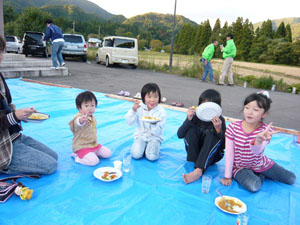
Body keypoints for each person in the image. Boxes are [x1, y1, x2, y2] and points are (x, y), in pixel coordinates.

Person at [0, 35, 58, 174]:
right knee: (50, 165)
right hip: (3, 144)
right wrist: (14, 116)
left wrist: (20, 114)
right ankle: (4, 165)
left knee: (54, 156)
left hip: (12, 135)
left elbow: (6, 104)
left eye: (1, 51)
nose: (1, 56)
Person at [220, 92, 296, 192]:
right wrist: (227, 176)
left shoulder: (266, 131)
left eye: (255, 110)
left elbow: (256, 152)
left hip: (259, 163)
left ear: (264, 114)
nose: (249, 112)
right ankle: (260, 175)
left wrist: (258, 140)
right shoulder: (233, 127)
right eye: (247, 108)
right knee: (254, 186)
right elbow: (229, 154)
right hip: (240, 167)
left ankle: (260, 172)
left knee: (291, 179)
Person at [177, 89, 225, 184]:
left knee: (212, 133)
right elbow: (180, 135)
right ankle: (194, 162)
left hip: (211, 156)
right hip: (194, 155)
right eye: (204, 105)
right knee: (190, 129)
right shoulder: (195, 117)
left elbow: (224, 147)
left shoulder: (220, 120)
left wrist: (218, 129)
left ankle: (198, 171)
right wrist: (188, 120)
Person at [126, 83, 166, 161]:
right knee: (135, 155)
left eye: (155, 96)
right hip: (141, 136)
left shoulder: (161, 112)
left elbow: (158, 131)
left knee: (152, 157)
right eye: (149, 97)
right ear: (143, 97)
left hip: (154, 137)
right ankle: (143, 147)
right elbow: (130, 122)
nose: (152, 100)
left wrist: (154, 124)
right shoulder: (139, 107)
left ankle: (152, 147)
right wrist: (133, 110)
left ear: (159, 98)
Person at [69, 91, 111, 166]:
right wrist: (81, 121)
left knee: (108, 154)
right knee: (94, 162)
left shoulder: (92, 117)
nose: (90, 108)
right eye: (86, 106)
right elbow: (76, 124)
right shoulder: (79, 117)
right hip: (82, 147)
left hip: (93, 145)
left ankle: (92, 154)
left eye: (92, 105)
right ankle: (78, 157)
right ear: (79, 108)